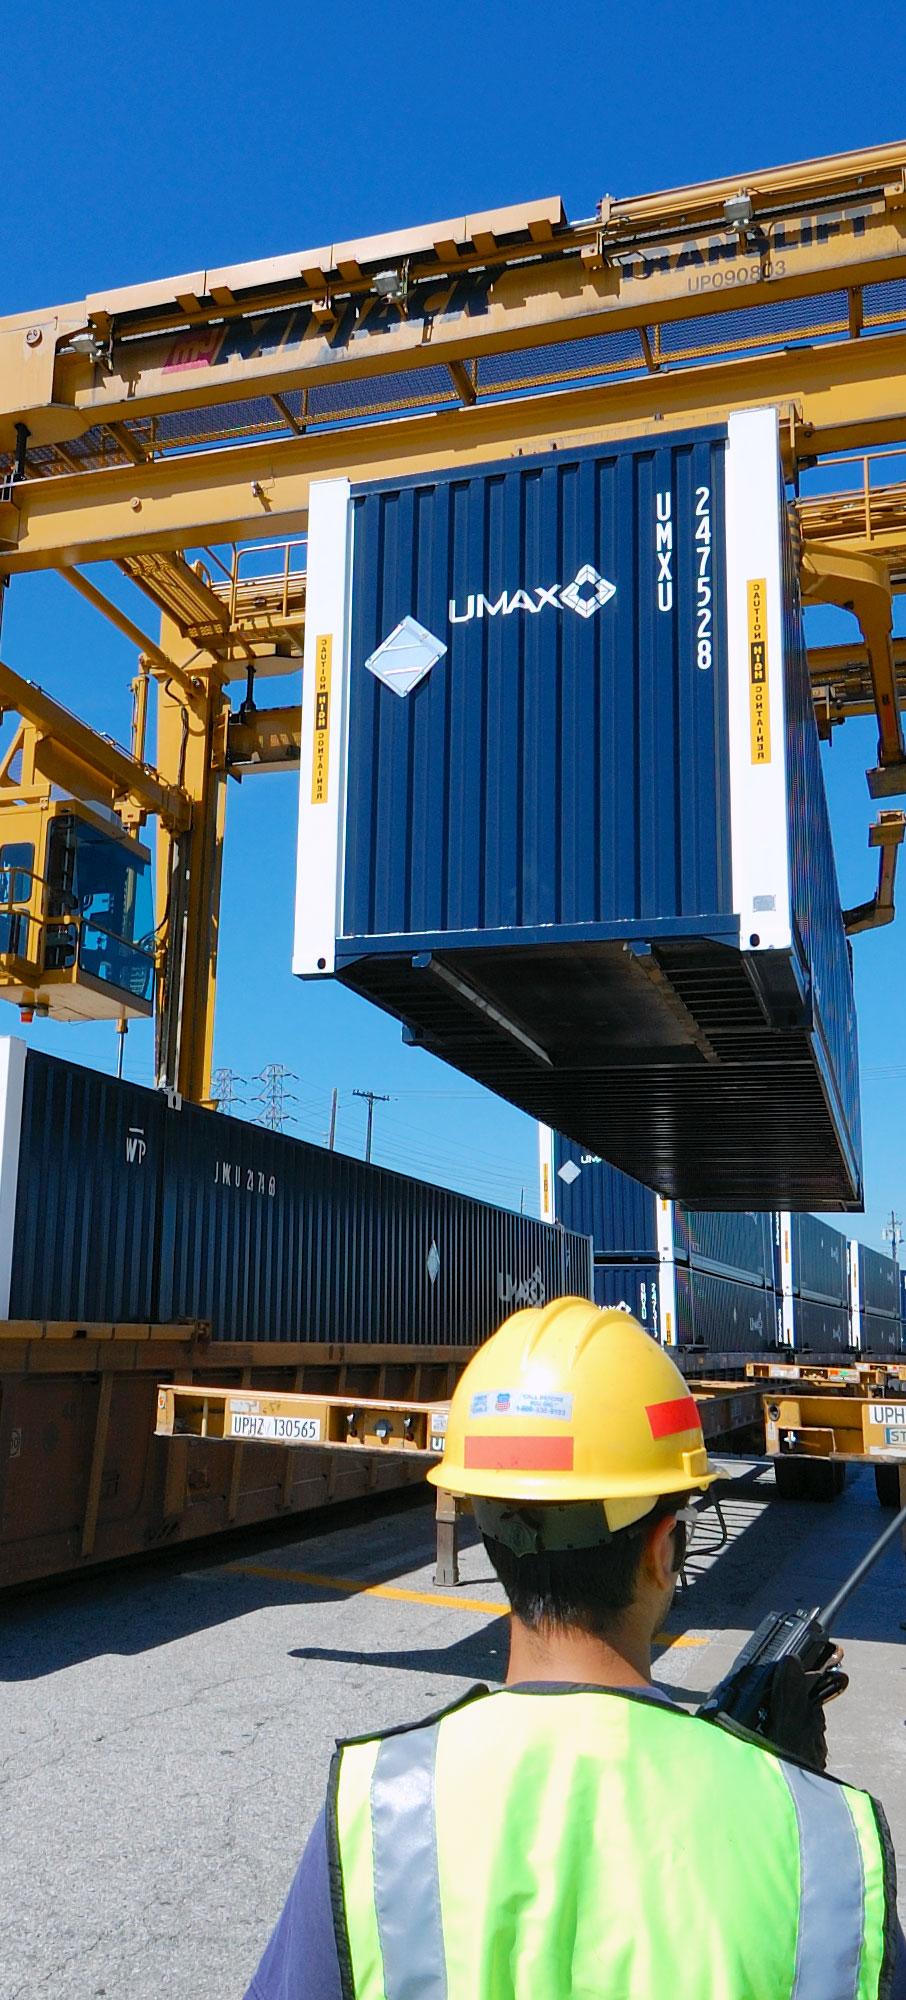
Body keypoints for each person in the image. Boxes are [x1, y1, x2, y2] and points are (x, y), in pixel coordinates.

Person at [247, 1297, 900, 1999]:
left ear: (486, 1533)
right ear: (662, 1551)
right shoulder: (828, 1836)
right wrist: (783, 1778)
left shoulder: (371, 1811)